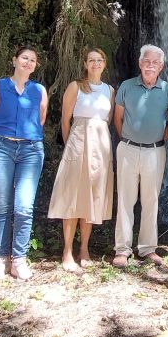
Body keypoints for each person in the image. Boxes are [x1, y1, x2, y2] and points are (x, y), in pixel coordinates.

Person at [0, 45, 48, 281]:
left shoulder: (39, 90)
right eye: (24, 58)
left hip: (30, 150)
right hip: (0, 149)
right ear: (15, 60)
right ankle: (1, 259)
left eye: (33, 60)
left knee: (24, 206)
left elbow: (40, 120)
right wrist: (0, 138)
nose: (28, 62)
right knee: (3, 205)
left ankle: (19, 260)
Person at [48, 48, 116, 272]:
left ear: (104, 64)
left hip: (101, 146)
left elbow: (107, 120)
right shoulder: (75, 86)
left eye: (100, 60)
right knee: (72, 195)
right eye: (92, 60)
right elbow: (65, 119)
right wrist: (70, 146)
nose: (96, 64)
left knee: (92, 196)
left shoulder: (110, 91)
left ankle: (84, 249)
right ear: (85, 64)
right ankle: (67, 251)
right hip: (78, 142)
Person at [112, 44, 168, 268]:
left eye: (155, 63)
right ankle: (122, 249)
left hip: (156, 151)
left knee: (151, 200)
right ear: (140, 63)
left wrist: (159, 140)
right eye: (146, 61)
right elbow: (117, 117)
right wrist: (127, 140)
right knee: (125, 200)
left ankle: (148, 248)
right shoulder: (127, 86)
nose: (150, 65)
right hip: (128, 149)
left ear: (161, 66)